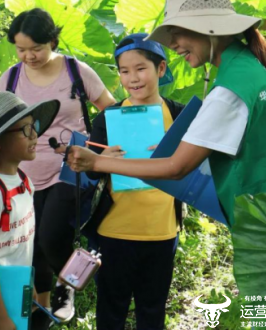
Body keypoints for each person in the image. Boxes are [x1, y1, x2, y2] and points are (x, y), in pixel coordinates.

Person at [66, 0, 266, 228]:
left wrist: (95, 162)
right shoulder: (260, 61)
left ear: (207, 27)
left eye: (176, 33)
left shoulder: (228, 91)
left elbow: (176, 167)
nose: (172, 45)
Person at [0, 8, 116, 323]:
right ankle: (41, 307)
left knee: (51, 237)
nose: (29, 56)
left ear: (53, 41)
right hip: (23, 174)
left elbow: (110, 111)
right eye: (21, 49)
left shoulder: (76, 71)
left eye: (36, 48)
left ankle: (68, 289)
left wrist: (100, 152)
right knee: (32, 245)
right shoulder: (11, 77)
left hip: (71, 170)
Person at [86, 34, 184, 330]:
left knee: (152, 310)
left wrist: (175, 153)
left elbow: (198, 167)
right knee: (110, 311)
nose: (133, 78)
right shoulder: (107, 118)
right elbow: (90, 170)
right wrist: (105, 161)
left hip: (162, 232)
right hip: (115, 231)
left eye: (141, 69)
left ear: (161, 69)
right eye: (124, 71)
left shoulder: (180, 116)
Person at [0, 92, 59, 330]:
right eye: (25, 130)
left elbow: (22, 247)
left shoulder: (24, 182)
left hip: (17, 292)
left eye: (34, 126)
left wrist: (31, 287)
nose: (35, 135)